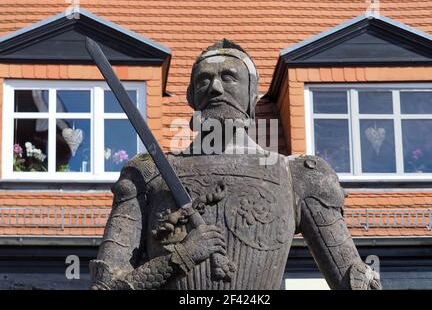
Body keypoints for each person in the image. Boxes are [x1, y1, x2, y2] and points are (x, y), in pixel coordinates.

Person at [90, 39, 381, 290]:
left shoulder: (299, 177)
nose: (215, 87)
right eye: (204, 80)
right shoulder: (147, 174)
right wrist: (183, 257)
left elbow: (353, 281)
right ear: (192, 97)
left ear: (252, 96)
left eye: (229, 77)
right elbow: (107, 286)